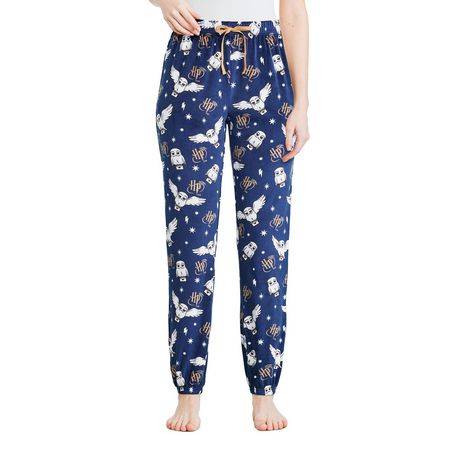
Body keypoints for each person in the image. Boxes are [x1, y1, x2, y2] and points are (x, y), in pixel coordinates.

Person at [150, 0, 309, 431]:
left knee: (267, 238)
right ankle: (188, 393)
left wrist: (302, 104)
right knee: (189, 239)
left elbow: (293, 12)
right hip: (193, 54)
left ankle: (264, 392)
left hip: (266, 60)